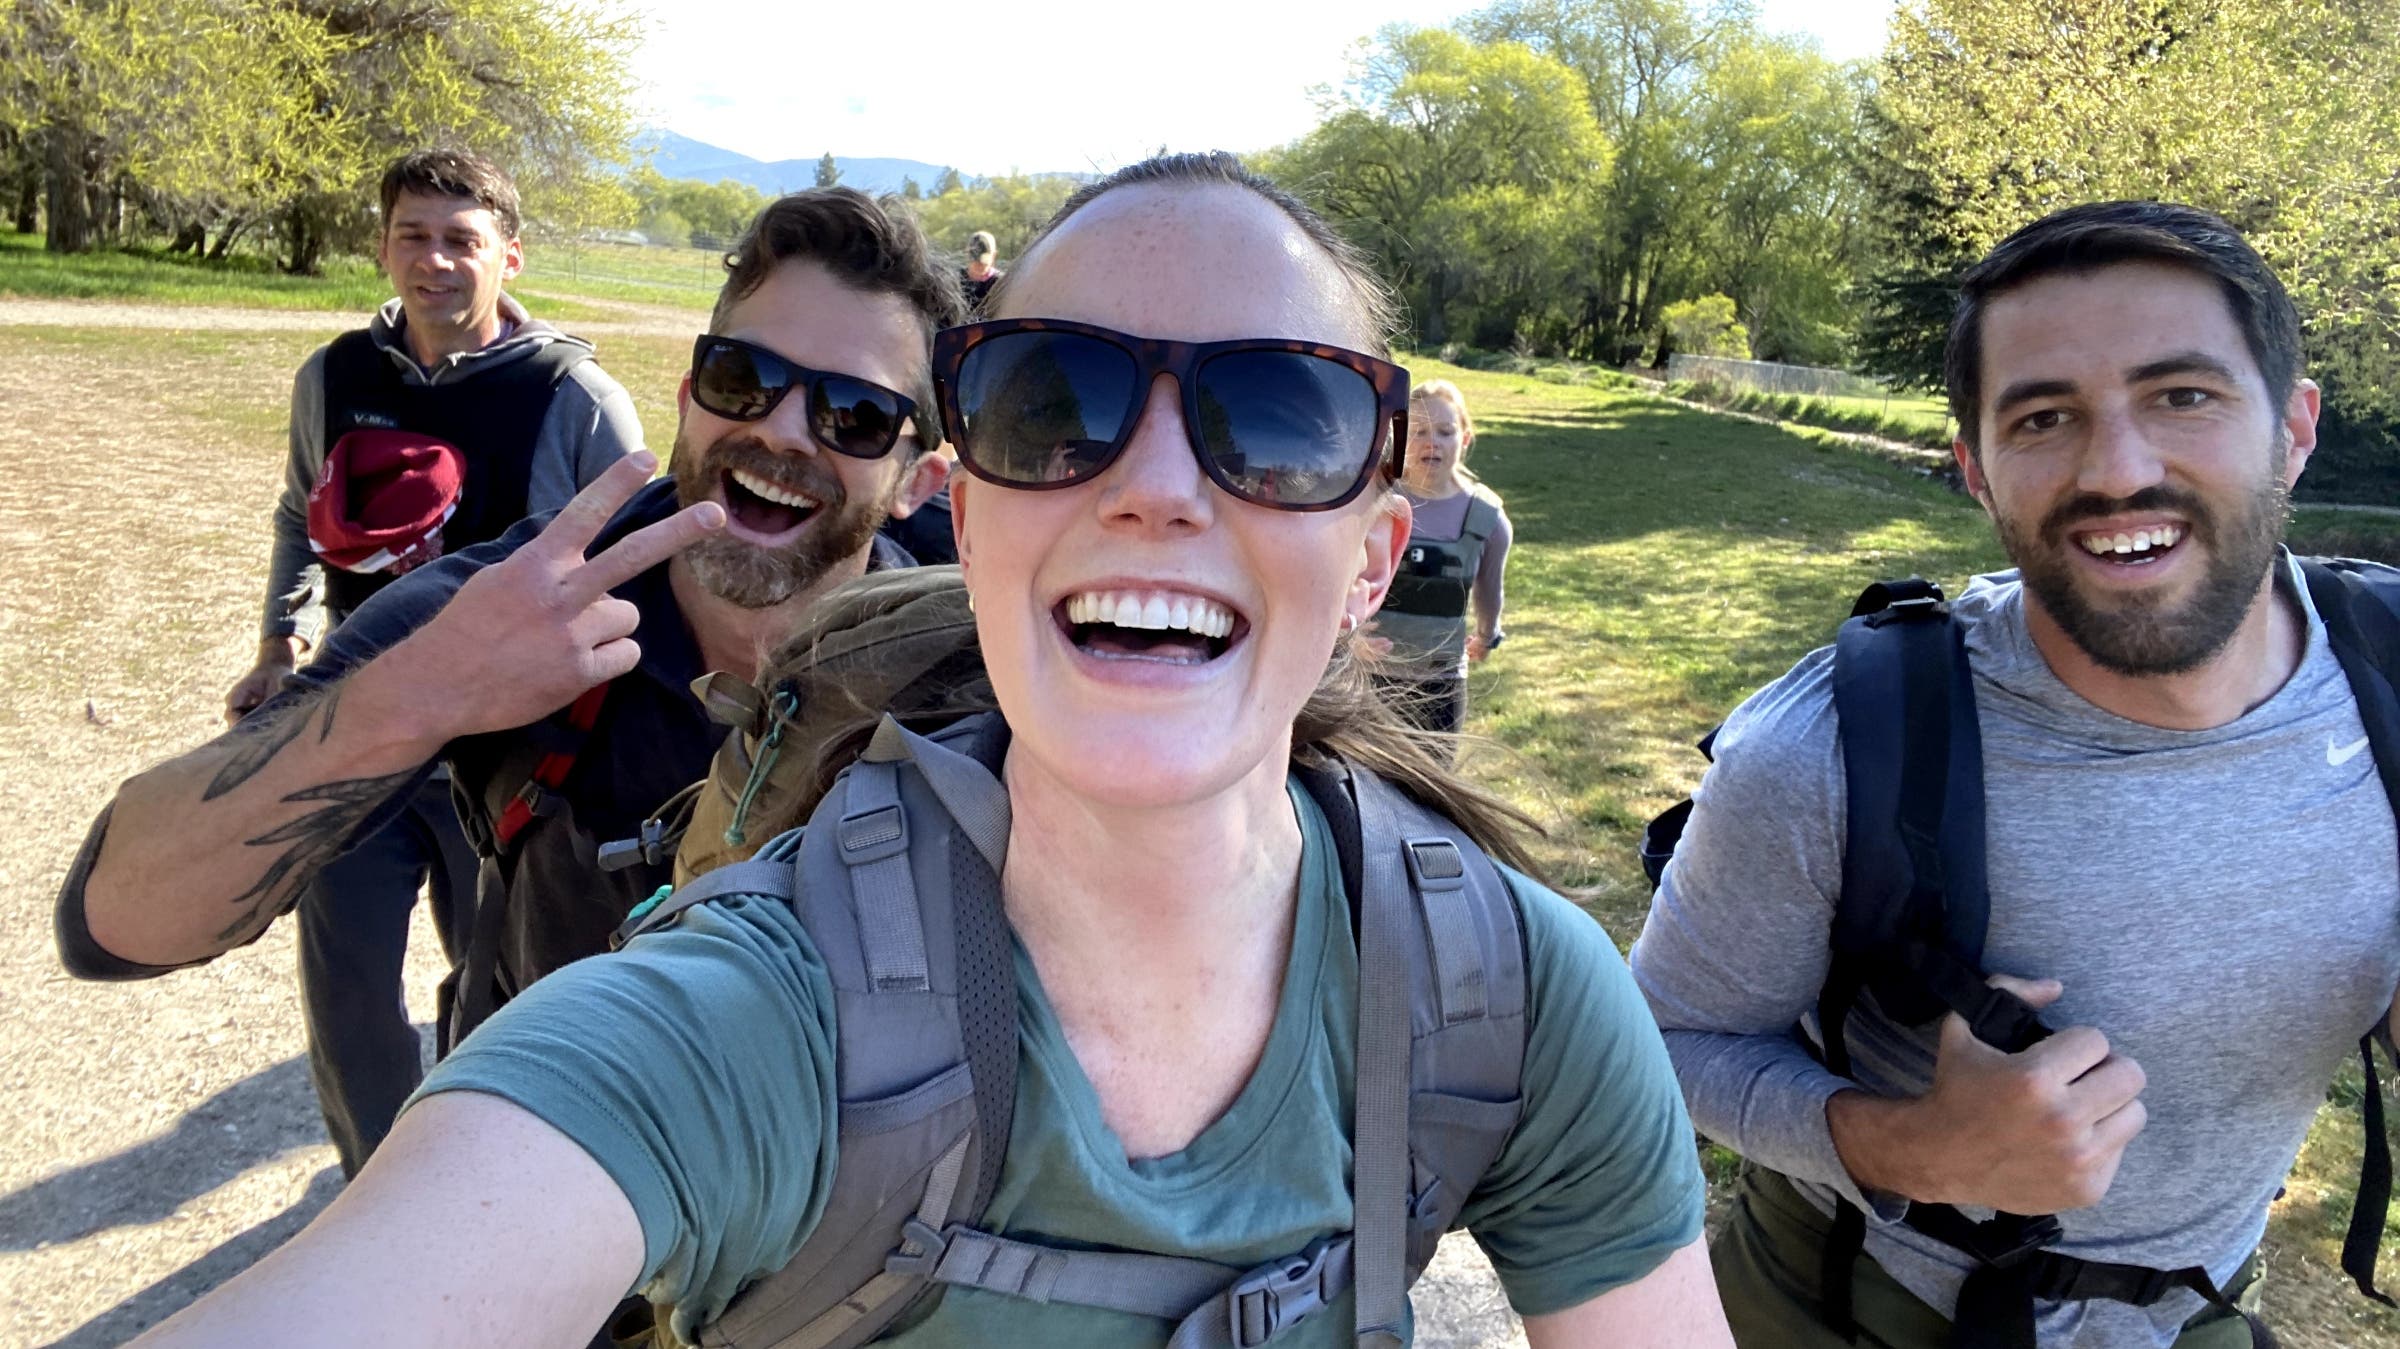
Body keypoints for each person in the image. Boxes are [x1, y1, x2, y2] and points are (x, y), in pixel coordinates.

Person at [120, 152, 1732, 1349]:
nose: (1154, 488)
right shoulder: (737, 977)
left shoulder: (1505, 993)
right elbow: (118, 919)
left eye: (1281, 420)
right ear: (986, 512)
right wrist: (414, 691)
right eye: (1054, 405)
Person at [1630, 200, 2400, 1348]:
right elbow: (1660, 1041)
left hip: (2202, 1308)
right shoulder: (1830, 747)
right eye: (2043, 417)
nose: (2118, 469)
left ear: (2293, 429)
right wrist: (1912, 1147)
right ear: (1977, 471)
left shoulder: (2390, 673)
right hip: (1860, 1310)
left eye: (2183, 396)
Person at [57, 186, 956, 1102]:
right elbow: (115, 920)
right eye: (742, 377)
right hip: (549, 1130)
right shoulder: (512, 605)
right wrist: (429, 688)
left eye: (855, 414)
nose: (779, 429)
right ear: (690, 400)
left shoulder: (968, 669)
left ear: (916, 482)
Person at [215, 148, 647, 1176]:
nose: (435, 260)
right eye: (413, 235)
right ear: (382, 246)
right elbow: (299, 515)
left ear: (510, 256)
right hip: (355, 727)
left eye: (462, 239)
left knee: (499, 984)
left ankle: (481, 1181)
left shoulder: (576, 399)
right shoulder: (335, 378)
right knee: (348, 993)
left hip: (510, 758)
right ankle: (374, 1185)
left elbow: (636, 571)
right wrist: (279, 641)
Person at [1367, 379, 1512, 735]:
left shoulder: (1486, 519)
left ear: (1465, 439)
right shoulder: (1371, 500)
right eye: (1419, 431)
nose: (1431, 442)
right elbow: (1335, 583)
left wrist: (1487, 635)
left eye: (1445, 432)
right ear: (1400, 439)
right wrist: (1349, 641)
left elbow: (1489, 590)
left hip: (1441, 684)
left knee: (1431, 770)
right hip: (1367, 674)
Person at [959, 228, 1004, 310]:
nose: (979, 264)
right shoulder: (956, 281)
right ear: (967, 254)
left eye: (984, 261)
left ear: (994, 255)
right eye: (975, 259)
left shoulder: (1001, 283)